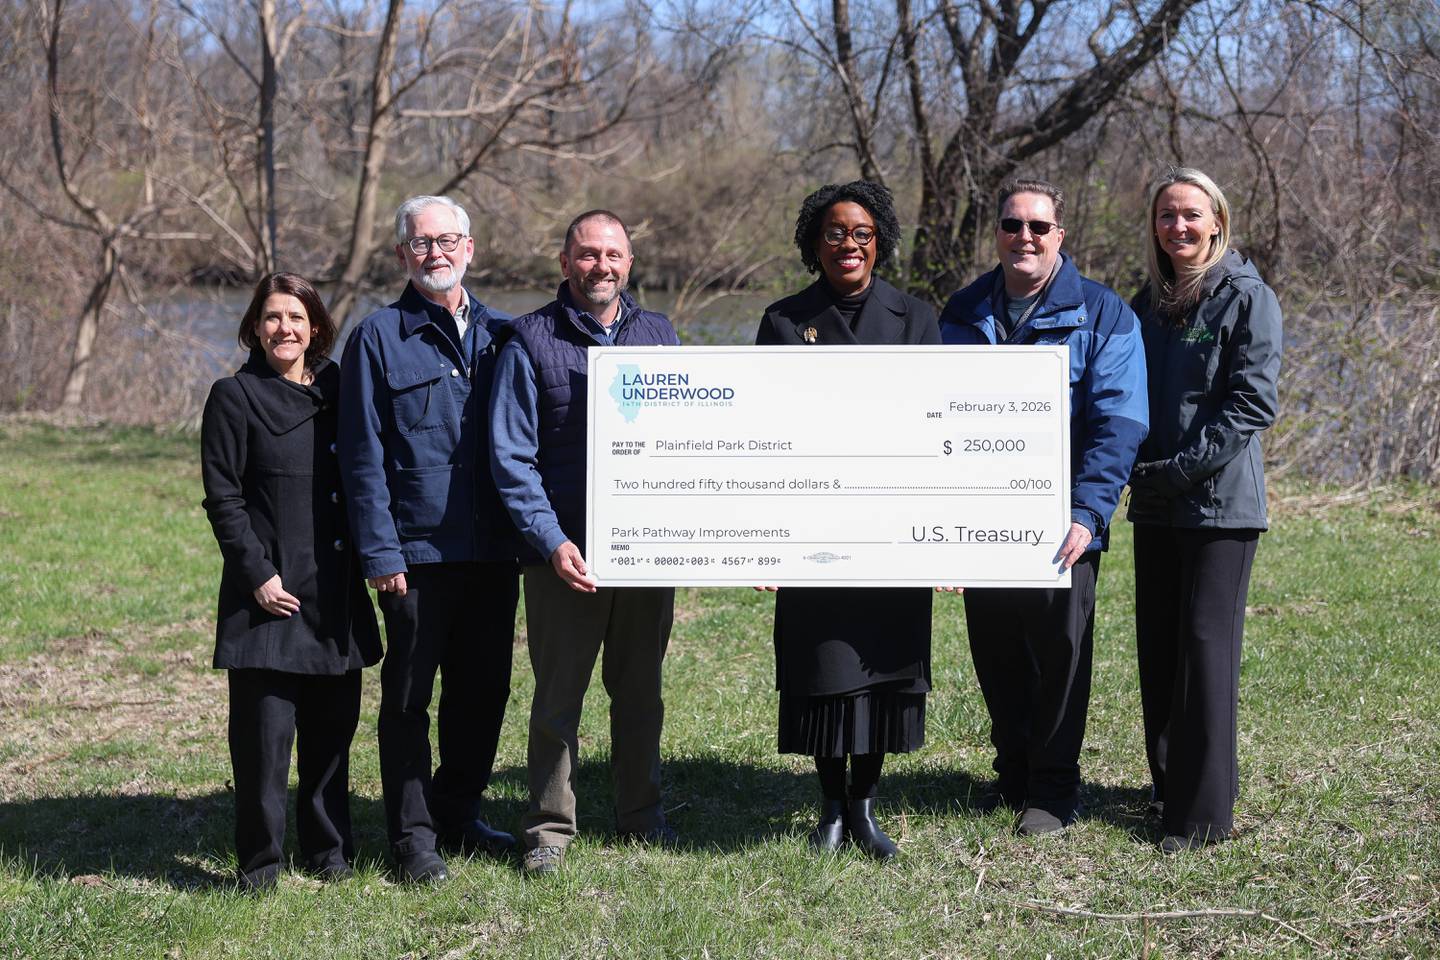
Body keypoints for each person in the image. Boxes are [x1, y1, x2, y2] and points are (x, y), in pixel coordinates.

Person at [939, 178, 1148, 835]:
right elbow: (933, 411)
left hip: (1064, 526)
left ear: (1060, 235)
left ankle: (1054, 791)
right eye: (1011, 225)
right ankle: (1015, 773)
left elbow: (1120, 422)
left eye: (1038, 226)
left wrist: (1089, 512)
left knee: (1060, 658)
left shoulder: (1104, 313)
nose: (1023, 237)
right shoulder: (962, 310)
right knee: (996, 653)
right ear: (996, 233)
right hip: (981, 521)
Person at [490, 210, 680, 875]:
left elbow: (686, 442)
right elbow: (512, 459)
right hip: (564, 557)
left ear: (630, 263)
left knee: (641, 693)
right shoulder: (529, 340)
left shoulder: (660, 336)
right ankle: (548, 828)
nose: (602, 265)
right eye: (588, 254)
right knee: (557, 699)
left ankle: (642, 814)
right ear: (564, 261)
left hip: (645, 553)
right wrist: (550, 541)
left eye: (614, 255)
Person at [337, 196, 520, 884]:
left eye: (447, 241)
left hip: (494, 553)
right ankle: (412, 839)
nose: (435, 252)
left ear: (470, 248)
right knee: (409, 702)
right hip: (415, 559)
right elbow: (361, 458)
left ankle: (459, 813)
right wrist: (381, 554)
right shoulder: (377, 338)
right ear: (401, 257)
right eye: (420, 244)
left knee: (483, 693)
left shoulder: (506, 334)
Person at [755, 181, 938, 860]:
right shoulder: (780, 321)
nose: (849, 245)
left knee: (883, 669)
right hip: (812, 531)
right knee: (823, 671)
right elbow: (759, 435)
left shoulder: (917, 320)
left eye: (862, 233)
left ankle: (864, 807)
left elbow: (937, 426)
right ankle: (829, 808)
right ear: (814, 243)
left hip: (893, 529)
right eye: (835, 232)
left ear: (880, 241)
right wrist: (763, 542)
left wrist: (944, 539)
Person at [200, 273, 382, 891]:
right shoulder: (233, 396)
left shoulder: (338, 388)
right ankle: (260, 867)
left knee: (332, 741)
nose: (285, 329)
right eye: (273, 317)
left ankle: (329, 856)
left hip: (334, 591)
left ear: (316, 328)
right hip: (271, 595)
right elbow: (223, 499)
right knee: (263, 747)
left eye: (298, 318)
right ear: (255, 327)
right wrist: (257, 575)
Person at [1127, 167, 1282, 853]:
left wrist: (1178, 473)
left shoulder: (1247, 298)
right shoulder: (1150, 302)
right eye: (1166, 216)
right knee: (1158, 649)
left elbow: (1252, 405)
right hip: (1156, 504)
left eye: (1191, 215)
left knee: (1203, 651)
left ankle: (1203, 817)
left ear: (1217, 221)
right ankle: (1170, 786)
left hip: (1218, 508)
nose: (1178, 228)